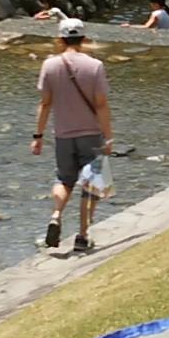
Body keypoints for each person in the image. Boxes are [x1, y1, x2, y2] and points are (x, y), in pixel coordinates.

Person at [33, 19, 112, 253]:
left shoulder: (49, 65)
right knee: (92, 184)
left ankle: (56, 215)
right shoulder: (95, 66)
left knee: (64, 180)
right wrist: (108, 136)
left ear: (60, 39)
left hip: (63, 135)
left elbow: (45, 103)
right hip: (91, 134)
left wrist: (38, 135)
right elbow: (101, 104)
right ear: (84, 39)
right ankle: (83, 235)